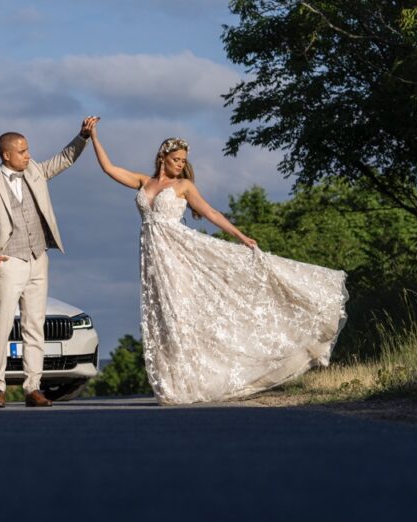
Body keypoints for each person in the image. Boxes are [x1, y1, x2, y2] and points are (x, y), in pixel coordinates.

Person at [86, 120, 348, 404]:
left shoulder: (183, 185)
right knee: (162, 319)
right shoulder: (143, 182)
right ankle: (175, 384)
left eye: (183, 161)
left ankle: (196, 380)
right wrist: (94, 137)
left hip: (179, 256)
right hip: (153, 262)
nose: (179, 165)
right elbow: (109, 168)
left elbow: (210, 212)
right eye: (175, 160)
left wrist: (240, 235)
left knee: (181, 315)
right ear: (162, 157)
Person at [0, 117, 99, 408]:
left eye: (28, 150)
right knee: (1, 325)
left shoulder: (36, 171)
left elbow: (65, 159)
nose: (28, 155)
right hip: (8, 261)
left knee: (34, 325)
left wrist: (83, 137)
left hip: (39, 258)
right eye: (23, 151)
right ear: (6, 155)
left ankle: (32, 388)